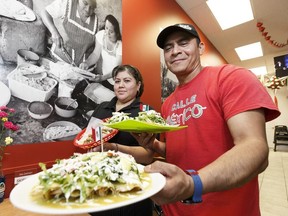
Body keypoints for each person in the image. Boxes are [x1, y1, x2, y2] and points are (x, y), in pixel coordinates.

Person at [133, 23, 280, 216]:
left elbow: (255, 148)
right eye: (168, 48)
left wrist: (192, 183)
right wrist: (154, 146)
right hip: (175, 210)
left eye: (183, 43)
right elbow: (182, 150)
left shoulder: (231, 78)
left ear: (201, 47)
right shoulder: (168, 103)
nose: (175, 51)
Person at [88, 64, 154, 216]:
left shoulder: (147, 113)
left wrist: (113, 147)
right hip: (100, 184)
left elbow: (148, 155)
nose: (121, 85)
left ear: (138, 85)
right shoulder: (102, 107)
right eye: (117, 81)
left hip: (130, 188)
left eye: (127, 81)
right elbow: (90, 138)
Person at [78, 14, 122, 106]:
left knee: (115, 106)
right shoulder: (101, 35)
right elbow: (95, 54)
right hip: (105, 78)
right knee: (102, 104)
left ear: (117, 33)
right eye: (106, 28)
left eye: (111, 31)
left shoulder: (121, 46)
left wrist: (102, 77)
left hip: (119, 83)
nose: (107, 33)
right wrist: (86, 63)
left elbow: (117, 70)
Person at [40, 0, 98, 66]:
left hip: (80, 69)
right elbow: (45, 12)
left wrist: (87, 63)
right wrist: (54, 32)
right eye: (85, 3)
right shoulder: (66, 4)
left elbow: (96, 51)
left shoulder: (97, 21)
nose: (88, 10)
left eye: (92, 7)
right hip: (57, 61)